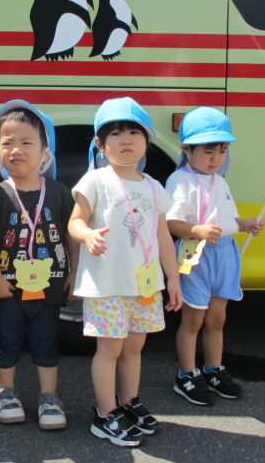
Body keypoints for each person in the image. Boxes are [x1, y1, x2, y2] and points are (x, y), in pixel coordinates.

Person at [68, 97, 182, 447]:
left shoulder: (153, 186)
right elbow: (74, 221)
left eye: (134, 131)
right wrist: (87, 235)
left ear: (147, 142)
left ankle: (128, 402)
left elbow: (162, 235)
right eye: (115, 133)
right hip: (107, 285)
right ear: (100, 145)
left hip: (144, 286)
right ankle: (104, 414)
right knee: (110, 350)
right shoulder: (95, 180)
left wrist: (173, 278)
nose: (126, 138)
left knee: (134, 348)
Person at [0, 100, 79, 430]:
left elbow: (70, 237)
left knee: (45, 342)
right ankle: (5, 392)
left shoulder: (61, 194)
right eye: (7, 142)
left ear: (45, 152)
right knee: (6, 341)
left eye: (26, 142)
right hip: (8, 288)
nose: (15, 149)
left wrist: (74, 273)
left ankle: (49, 397)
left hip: (48, 289)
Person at [165, 106, 265, 406]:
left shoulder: (220, 180)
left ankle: (214, 369)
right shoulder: (179, 180)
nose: (216, 158)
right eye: (209, 150)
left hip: (225, 254)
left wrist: (245, 225)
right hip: (194, 255)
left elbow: (227, 219)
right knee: (193, 319)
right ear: (187, 148)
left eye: (222, 151)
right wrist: (196, 229)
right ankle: (186, 374)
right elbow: (170, 222)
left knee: (218, 318)